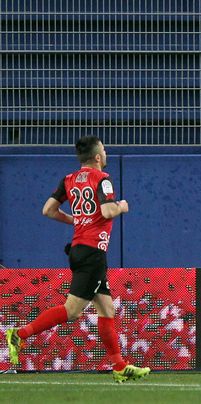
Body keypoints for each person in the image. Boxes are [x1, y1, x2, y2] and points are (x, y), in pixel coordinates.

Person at [5, 136, 150, 383]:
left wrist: (76, 220)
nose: (106, 153)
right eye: (104, 149)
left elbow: (48, 210)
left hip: (80, 248)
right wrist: (122, 206)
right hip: (92, 253)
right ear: (97, 157)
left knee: (107, 309)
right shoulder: (102, 180)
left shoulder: (69, 180)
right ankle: (20, 334)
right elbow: (107, 211)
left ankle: (119, 366)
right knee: (72, 311)